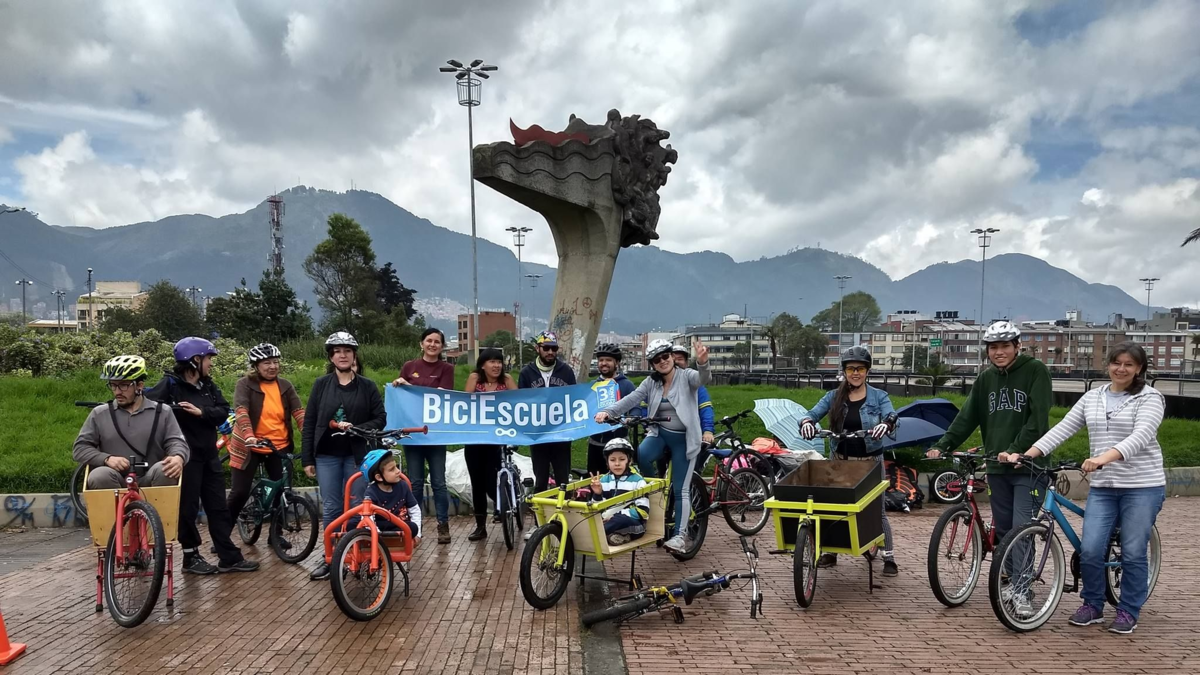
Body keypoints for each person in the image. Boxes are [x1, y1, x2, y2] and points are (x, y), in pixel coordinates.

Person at [1005, 342, 1165, 634]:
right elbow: (1063, 428)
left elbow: (1141, 435)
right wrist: (1028, 454)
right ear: (1108, 365)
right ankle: (1092, 604)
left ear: (1139, 368)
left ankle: (1128, 610)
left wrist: (1103, 458)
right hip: (1104, 487)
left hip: (1142, 485)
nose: (1121, 369)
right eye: (1116, 363)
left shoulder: (1150, 397)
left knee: (1132, 551)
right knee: (1090, 549)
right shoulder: (1094, 397)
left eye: (1129, 364)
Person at [925, 320, 1052, 611]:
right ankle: (1010, 582)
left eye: (1005, 346)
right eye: (993, 347)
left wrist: (1016, 449)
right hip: (996, 467)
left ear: (1017, 346)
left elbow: (1038, 421)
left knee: (1022, 529)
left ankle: (1023, 591)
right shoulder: (986, 379)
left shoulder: (1035, 371)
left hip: (1029, 467)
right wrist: (943, 445)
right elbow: (967, 417)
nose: (999, 352)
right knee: (1004, 530)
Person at [145, 338, 258, 575]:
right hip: (184, 457)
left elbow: (222, 411)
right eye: (208, 359)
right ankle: (190, 556)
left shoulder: (207, 385)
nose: (211, 364)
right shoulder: (170, 385)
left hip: (209, 455)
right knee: (187, 508)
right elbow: (150, 410)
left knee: (218, 507)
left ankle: (228, 557)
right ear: (195, 360)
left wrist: (201, 412)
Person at [595, 337, 710, 554]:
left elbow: (703, 378)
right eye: (657, 360)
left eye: (665, 356)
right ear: (652, 364)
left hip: (684, 439)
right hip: (660, 434)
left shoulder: (686, 376)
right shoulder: (651, 382)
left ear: (672, 357)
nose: (662, 361)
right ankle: (654, 493)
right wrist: (608, 412)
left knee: (681, 489)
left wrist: (702, 362)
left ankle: (679, 536)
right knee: (641, 454)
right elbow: (631, 399)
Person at [799, 346, 899, 576]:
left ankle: (889, 557)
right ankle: (831, 551)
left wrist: (887, 424)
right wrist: (806, 423)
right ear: (844, 371)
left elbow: (891, 415)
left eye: (860, 369)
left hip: (870, 461)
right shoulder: (833, 397)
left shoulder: (879, 396)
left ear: (867, 371)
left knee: (877, 510)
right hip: (840, 461)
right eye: (851, 368)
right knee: (834, 507)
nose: (856, 373)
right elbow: (811, 413)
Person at [302, 331, 387, 580]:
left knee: (357, 504)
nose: (342, 355)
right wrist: (307, 458)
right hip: (326, 455)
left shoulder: (367, 386)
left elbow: (380, 418)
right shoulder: (321, 385)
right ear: (331, 356)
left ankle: (356, 554)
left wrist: (358, 428)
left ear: (354, 355)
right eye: (337, 351)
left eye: (347, 351)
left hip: (356, 455)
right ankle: (331, 558)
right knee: (331, 506)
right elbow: (310, 422)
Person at [74, 355, 189, 489]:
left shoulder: (163, 411)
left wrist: (178, 457)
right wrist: (106, 459)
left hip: (150, 477)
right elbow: (80, 448)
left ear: (139, 385)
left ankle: (159, 503)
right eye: (113, 385)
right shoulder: (99, 414)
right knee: (99, 475)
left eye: (124, 385)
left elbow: (176, 441)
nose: (117, 392)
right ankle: (111, 504)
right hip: (116, 479)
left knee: (166, 469)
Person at [227, 343, 306, 528]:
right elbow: (241, 411)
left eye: (276, 362)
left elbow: (299, 412)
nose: (273, 366)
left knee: (283, 491)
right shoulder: (244, 384)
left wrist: (308, 434)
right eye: (267, 363)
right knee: (239, 492)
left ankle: (276, 535)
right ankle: (222, 535)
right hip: (249, 445)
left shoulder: (285, 385)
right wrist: (249, 435)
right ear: (256, 366)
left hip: (278, 445)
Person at [391, 328, 456, 545]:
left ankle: (443, 525)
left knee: (439, 482)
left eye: (437, 341)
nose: (432, 344)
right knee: (415, 483)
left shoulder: (447, 369)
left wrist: (411, 387)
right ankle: (414, 527)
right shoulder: (409, 367)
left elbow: (440, 395)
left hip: (436, 435)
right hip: (413, 435)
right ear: (421, 344)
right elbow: (401, 396)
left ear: (442, 346)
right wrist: (398, 385)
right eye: (429, 340)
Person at [462, 347, 517, 541]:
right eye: (492, 362)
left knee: (491, 481)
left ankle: (505, 505)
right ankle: (480, 526)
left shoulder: (507, 380)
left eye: (499, 362)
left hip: (497, 438)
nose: (496, 365)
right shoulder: (475, 379)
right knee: (477, 483)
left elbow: (520, 403)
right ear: (483, 365)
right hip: (475, 439)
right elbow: (463, 403)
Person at [518, 331, 577, 492]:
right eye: (546, 348)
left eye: (554, 348)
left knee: (563, 480)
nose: (550, 352)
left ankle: (563, 507)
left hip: (561, 434)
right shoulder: (526, 373)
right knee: (541, 479)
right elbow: (522, 402)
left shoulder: (566, 371)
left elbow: (574, 399)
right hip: (538, 435)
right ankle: (541, 508)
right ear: (537, 348)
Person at [586, 342, 638, 475]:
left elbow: (636, 407)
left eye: (608, 360)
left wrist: (630, 419)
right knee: (594, 479)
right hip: (595, 442)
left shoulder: (627, 385)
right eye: (601, 360)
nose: (604, 363)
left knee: (620, 480)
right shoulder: (591, 386)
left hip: (619, 441)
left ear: (617, 363)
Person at [587, 438, 650, 545]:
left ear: (629, 460)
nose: (617, 463)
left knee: (619, 520)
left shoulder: (638, 481)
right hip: (608, 522)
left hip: (635, 525)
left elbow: (643, 511)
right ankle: (617, 537)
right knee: (589, 517)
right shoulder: (603, 480)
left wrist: (615, 515)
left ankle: (592, 537)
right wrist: (597, 494)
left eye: (622, 459)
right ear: (607, 462)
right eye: (612, 460)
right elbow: (597, 509)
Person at [666, 344, 715, 474]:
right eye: (673, 359)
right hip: (666, 435)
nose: (676, 362)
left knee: (691, 473)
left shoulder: (695, 384)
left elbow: (705, 408)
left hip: (689, 437)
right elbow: (646, 406)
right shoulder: (659, 383)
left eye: (680, 359)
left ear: (686, 363)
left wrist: (708, 431)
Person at [358, 449, 422, 544]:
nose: (398, 471)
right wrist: (377, 536)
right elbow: (368, 518)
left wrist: (418, 534)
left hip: (397, 524)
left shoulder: (403, 486)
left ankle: (392, 539)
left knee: (413, 527)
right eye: (392, 469)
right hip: (379, 526)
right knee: (352, 524)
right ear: (379, 477)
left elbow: (414, 510)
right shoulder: (371, 492)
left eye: (396, 467)